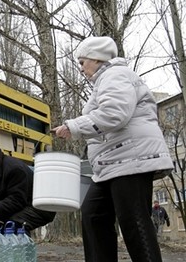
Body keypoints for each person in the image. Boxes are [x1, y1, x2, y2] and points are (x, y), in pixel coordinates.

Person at [51, 36, 174, 262]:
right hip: (112, 164)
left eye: (82, 62)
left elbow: (114, 113)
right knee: (93, 215)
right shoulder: (105, 81)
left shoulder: (115, 75)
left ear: (97, 58)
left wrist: (74, 126)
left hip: (131, 159)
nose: (81, 68)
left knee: (134, 222)